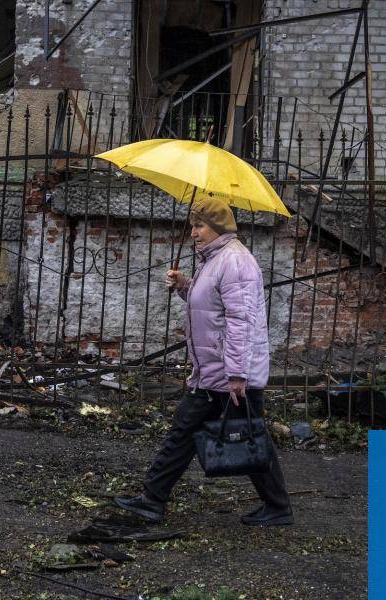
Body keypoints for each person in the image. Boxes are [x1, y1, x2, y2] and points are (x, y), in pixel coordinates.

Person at [114, 196, 292, 527]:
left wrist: (237, 373)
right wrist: (185, 286)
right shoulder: (216, 259)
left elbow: (241, 320)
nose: (193, 232)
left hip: (230, 374)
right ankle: (153, 499)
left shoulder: (234, 262)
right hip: (216, 371)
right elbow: (213, 305)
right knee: (191, 431)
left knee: (248, 436)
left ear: (218, 227)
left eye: (199, 225)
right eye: (192, 225)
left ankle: (277, 506)